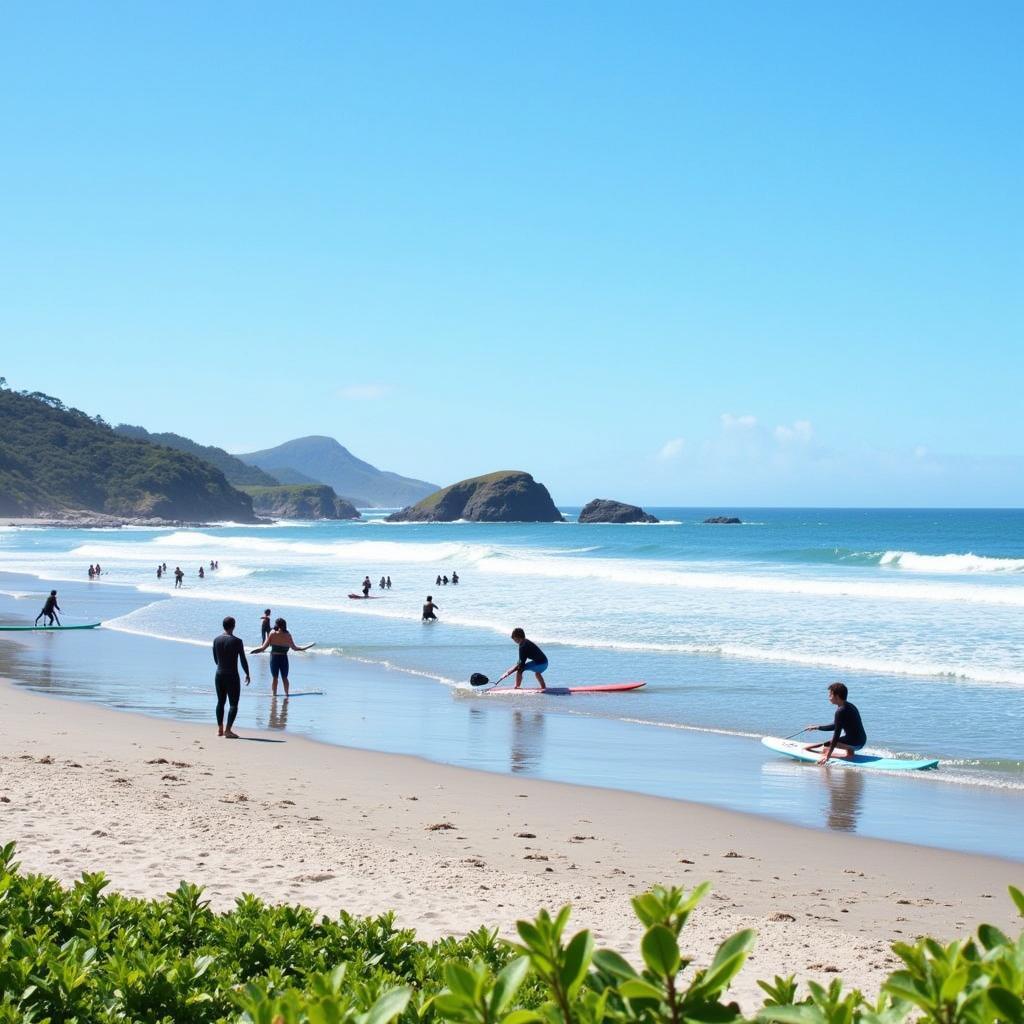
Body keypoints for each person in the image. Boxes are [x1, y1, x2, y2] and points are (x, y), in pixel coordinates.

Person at [804, 682, 867, 765]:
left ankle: (848, 756)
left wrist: (828, 755)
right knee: (832, 742)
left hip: (855, 743)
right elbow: (835, 726)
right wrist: (817, 727)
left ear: (837, 696)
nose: (829, 697)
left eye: (830, 695)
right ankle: (849, 753)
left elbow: (836, 734)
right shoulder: (850, 705)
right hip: (861, 741)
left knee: (825, 749)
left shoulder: (840, 711)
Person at [251, 617, 315, 697]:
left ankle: (274, 694)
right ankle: (287, 694)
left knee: (275, 678)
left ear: (277, 625)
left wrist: (254, 651)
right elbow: (294, 648)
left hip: (274, 658)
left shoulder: (272, 633)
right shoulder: (287, 635)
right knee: (284, 677)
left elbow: (263, 648)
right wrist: (304, 648)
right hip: (283, 658)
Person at [213, 616, 250, 738]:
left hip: (219, 674)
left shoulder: (216, 640)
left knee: (220, 702)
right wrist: (247, 673)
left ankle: (220, 729)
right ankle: (228, 730)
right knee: (233, 704)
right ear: (234, 626)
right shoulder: (237, 641)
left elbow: (216, 660)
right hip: (232, 676)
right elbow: (243, 659)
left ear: (223, 626)